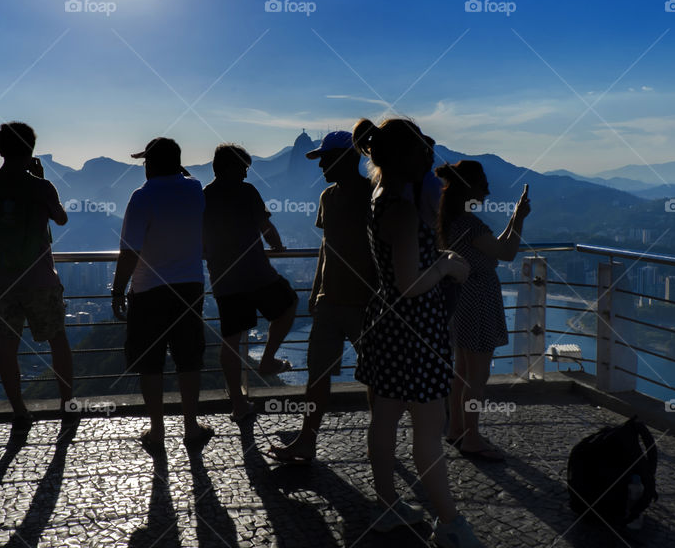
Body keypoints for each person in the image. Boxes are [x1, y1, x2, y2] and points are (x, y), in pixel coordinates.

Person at [351, 118, 484, 547]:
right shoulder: (404, 209)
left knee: (384, 419)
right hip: (416, 329)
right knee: (428, 428)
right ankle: (449, 524)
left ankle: (388, 505)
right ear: (413, 157)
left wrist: (438, 258)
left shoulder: (379, 196)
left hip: (386, 324)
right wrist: (445, 264)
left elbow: (396, 274)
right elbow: (410, 283)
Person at [266, 130, 376, 463]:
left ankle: (380, 439)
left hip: (367, 302)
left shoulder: (374, 195)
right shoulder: (328, 197)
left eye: (326, 159)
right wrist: (316, 291)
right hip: (330, 300)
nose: (321, 167)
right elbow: (327, 247)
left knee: (376, 374)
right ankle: (307, 440)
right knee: (317, 374)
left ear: (346, 158)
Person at [0, 122, 73, 433]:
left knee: (7, 345)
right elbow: (61, 218)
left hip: (1, 277)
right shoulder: (41, 187)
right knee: (58, 341)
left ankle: (19, 412)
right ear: (31, 150)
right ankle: (67, 407)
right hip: (40, 277)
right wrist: (40, 182)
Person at [111, 137, 213, 455]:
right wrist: (169, 164)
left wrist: (117, 290)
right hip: (190, 286)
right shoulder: (195, 189)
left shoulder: (142, 197)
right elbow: (183, 175)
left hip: (148, 289)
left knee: (151, 363)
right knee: (188, 358)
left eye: (146, 163)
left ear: (150, 165)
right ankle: (191, 427)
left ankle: (157, 432)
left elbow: (129, 251)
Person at [437, 160, 529, 462]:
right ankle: (472, 438)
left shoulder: (452, 222)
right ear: (470, 188)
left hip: (460, 297)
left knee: (461, 371)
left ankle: (456, 430)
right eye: (482, 185)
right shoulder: (470, 224)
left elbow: (495, 247)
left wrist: (514, 219)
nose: (487, 190)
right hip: (479, 299)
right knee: (477, 375)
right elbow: (507, 252)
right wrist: (519, 219)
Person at [202, 143, 297, 422]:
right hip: (257, 273)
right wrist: (278, 246)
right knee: (289, 304)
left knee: (231, 340)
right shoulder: (247, 192)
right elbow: (266, 227)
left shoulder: (204, 196)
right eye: (243, 167)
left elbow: (200, 239)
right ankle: (268, 359)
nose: (246, 173)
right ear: (231, 167)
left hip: (224, 278)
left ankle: (238, 404)